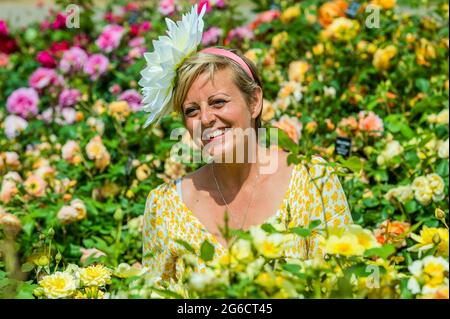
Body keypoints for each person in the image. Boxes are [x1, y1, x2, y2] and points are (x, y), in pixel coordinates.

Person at [141, 5, 352, 282]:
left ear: (254, 102)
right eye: (191, 110)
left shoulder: (314, 181)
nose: (205, 118)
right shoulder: (165, 205)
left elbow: (347, 285)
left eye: (218, 102)